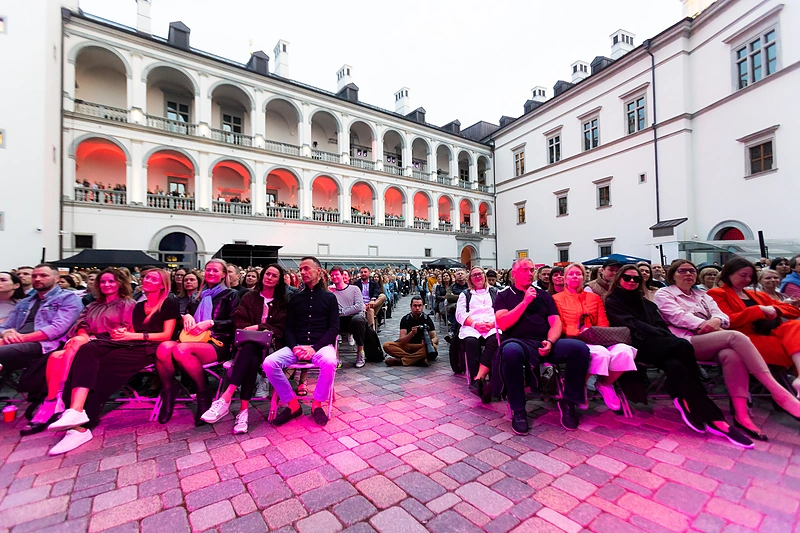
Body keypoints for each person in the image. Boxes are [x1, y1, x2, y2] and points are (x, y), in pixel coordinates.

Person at [605, 265, 753, 448]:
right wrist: (662, 335)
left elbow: (660, 324)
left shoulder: (646, 303)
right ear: (619, 279)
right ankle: (711, 416)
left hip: (660, 344)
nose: (632, 281)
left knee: (675, 366)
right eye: (627, 277)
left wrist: (662, 335)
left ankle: (706, 414)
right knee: (682, 345)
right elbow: (633, 325)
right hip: (637, 346)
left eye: (636, 279)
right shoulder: (613, 301)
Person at [656, 260, 800, 441]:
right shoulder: (664, 293)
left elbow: (722, 316)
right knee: (735, 336)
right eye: (682, 271)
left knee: (732, 355)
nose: (688, 274)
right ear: (672, 274)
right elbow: (678, 317)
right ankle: (778, 392)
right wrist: (707, 324)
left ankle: (741, 414)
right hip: (685, 341)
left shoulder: (702, 294)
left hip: (714, 338)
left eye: (692, 270)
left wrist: (716, 321)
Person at [47, 269, 178, 455]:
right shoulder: (140, 306)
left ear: (163, 285)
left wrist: (131, 336)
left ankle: (80, 428)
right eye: (146, 277)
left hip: (150, 349)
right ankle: (74, 411)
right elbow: (131, 330)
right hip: (132, 344)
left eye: (153, 279)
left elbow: (166, 335)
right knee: (87, 350)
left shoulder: (168, 302)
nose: (147, 280)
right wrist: (122, 333)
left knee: (102, 370)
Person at [20, 268, 135, 436]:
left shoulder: (128, 304)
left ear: (120, 283)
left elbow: (127, 329)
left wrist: (88, 338)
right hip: (84, 342)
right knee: (56, 356)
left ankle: (57, 400)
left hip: (111, 343)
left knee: (72, 346)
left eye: (111, 281)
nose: (106, 284)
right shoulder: (93, 305)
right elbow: (81, 325)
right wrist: (83, 336)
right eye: (103, 281)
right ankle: (53, 401)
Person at [494, 258, 591, 435]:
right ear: (514, 273)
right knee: (510, 352)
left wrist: (551, 341)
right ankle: (518, 409)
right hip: (518, 342)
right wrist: (524, 302)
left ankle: (569, 401)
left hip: (544, 342)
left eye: (532, 270)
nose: (530, 273)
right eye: (525, 270)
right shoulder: (504, 295)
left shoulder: (544, 295)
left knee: (580, 349)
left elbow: (555, 323)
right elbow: (503, 324)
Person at [201, 264, 288, 433]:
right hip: (247, 346)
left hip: (271, 348)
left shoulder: (282, 302)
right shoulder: (249, 297)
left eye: (274, 275)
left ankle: (227, 397)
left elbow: (281, 329)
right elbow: (239, 321)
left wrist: (259, 327)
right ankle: (243, 411)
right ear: (263, 276)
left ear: (279, 281)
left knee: (250, 350)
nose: (269, 277)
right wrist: (253, 332)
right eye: (267, 274)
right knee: (251, 352)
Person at [156, 259, 240, 425]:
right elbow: (186, 319)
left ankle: (203, 393)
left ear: (224, 274)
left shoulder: (231, 294)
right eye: (208, 270)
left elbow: (235, 322)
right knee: (164, 348)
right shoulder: (197, 296)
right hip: (193, 338)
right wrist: (185, 316)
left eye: (215, 270)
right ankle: (169, 390)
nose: (211, 273)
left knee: (181, 350)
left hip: (218, 341)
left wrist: (211, 323)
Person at [263, 256, 339, 427]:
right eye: (301, 269)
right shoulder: (295, 298)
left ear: (318, 271)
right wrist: (294, 347)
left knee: (330, 362)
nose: (302, 272)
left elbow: (334, 328)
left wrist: (314, 348)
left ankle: (317, 404)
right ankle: (293, 404)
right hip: (296, 346)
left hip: (320, 346)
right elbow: (288, 328)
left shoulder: (329, 298)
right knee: (269, 363)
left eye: (306, 268)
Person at [708, 257, 800, 395]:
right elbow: (727, 320)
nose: (747, 279)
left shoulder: (756, 294)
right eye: (743, 275)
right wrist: (759, 310)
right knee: (787, 346)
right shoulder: (716, 294)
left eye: (750, 276)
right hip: (742, 338)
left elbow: (794, 311)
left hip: (768, 333)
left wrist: (775, 310)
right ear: (729, 274)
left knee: (795, 325)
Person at [553, 263, 637, 410]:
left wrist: (595, 331)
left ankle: (605, 383)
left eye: (578, 274)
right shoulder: (556, 298)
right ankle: (581, 384)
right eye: (571, 274)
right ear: (565, 279)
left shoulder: (594, 298)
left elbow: (603, 322)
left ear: (583, 277)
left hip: (596, 337)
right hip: (574, 339)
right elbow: (559, 325)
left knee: (625, 351)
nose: (575, 277)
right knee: (601, 354)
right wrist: (579, 331)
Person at [0, 265, 82, 376]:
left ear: (57, 278)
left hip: (44, 345)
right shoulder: (26, 301)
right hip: (18, 342)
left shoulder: (69, 298)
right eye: (34, 276)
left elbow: (56, 329)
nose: (37, 279)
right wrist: (6, 333)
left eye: (44, 275)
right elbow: (4, 326)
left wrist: (19, 339)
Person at [455, 267, 498, 404]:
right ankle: (479, 385)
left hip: (492, 326)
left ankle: (479, 379)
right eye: (474, 275)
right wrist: (475, 324)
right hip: (472, 327)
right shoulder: (465, 294)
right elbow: (460, 314)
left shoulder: (496, 292)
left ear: (484, 276)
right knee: (471, 343)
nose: (478, 276)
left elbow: (502, 311)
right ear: (470, 279)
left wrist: (493, 324)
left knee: (495, 341)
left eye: (480, 274)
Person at [383, 296, 438, 367]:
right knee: (386, 345)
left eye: (419, 306)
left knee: (434, 347)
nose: (417, 308)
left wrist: (429, 342)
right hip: (407, 346)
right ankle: (416, 360)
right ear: (411, 306)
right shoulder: (405, 319)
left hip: (420, 346)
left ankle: (401, 361)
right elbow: (402, 341)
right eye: (415, 306)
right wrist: (411, 333)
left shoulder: (427, 319)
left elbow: (435, 338)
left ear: (423, 306)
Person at [330, 266, 367, 368]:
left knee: (358, 320)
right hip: (338, 321)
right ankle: (336, 357)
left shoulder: (354, 289)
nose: (334, 277)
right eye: (332, 275)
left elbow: (359, 306)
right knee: (329, 323)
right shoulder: (330, 292)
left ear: (342, 275)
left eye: (336, 274)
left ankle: (360, 352)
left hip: (354, 320)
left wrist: (342, 312)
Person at [445, 269, 470, 341]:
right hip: (454, 307)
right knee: (458, 309)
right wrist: (463, 296)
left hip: (467, 307)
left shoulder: (469, 286)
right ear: (455, 276)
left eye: (462, 273)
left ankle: (453, 331)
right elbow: (449, 297)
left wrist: (455, 296)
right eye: (458, 274)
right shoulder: (451, 287)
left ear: (466, 276)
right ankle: (454, 332)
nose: (460, 275)